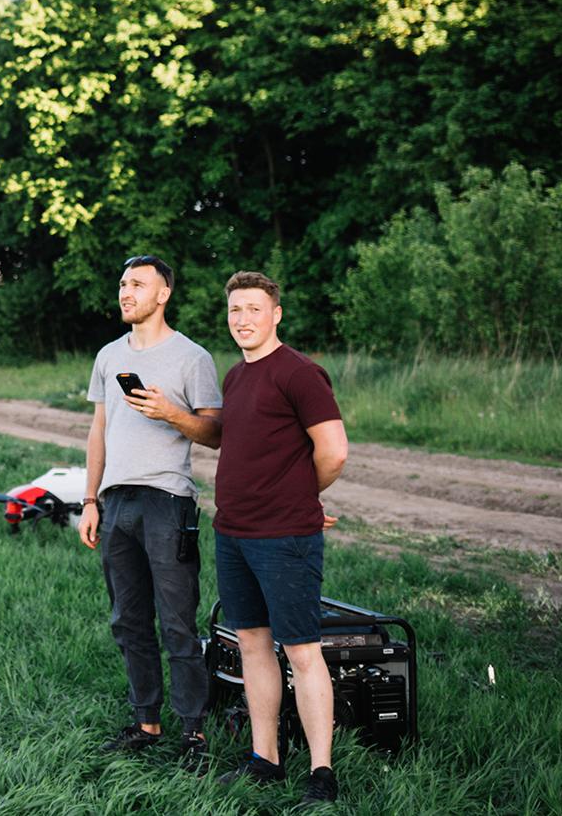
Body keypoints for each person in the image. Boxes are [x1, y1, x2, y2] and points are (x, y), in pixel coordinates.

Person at [77, 254, 222, 771]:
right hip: (115, 503)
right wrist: (90, 499)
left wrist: (170, 413)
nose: (125, 291)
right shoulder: (108, 355)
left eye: (137, 284)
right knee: (128, 620)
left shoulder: (192, 358)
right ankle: (146, 722)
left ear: (163, 294)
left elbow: (215, 433)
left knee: (178, 623)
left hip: (167, 501)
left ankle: (194, 732)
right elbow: (99, 431)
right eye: (122, 283)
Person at [211, 270, 349, 805]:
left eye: (253, 309)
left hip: (283, 536)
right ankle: (263, 758)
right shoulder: (235, 377)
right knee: (251, 643)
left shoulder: (300, 373)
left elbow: (333, 451)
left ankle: (321, 772)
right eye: (234, 310)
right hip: (234, 533)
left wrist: (299, 500)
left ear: (276, 314)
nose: (242, 320)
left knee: (301, 649)